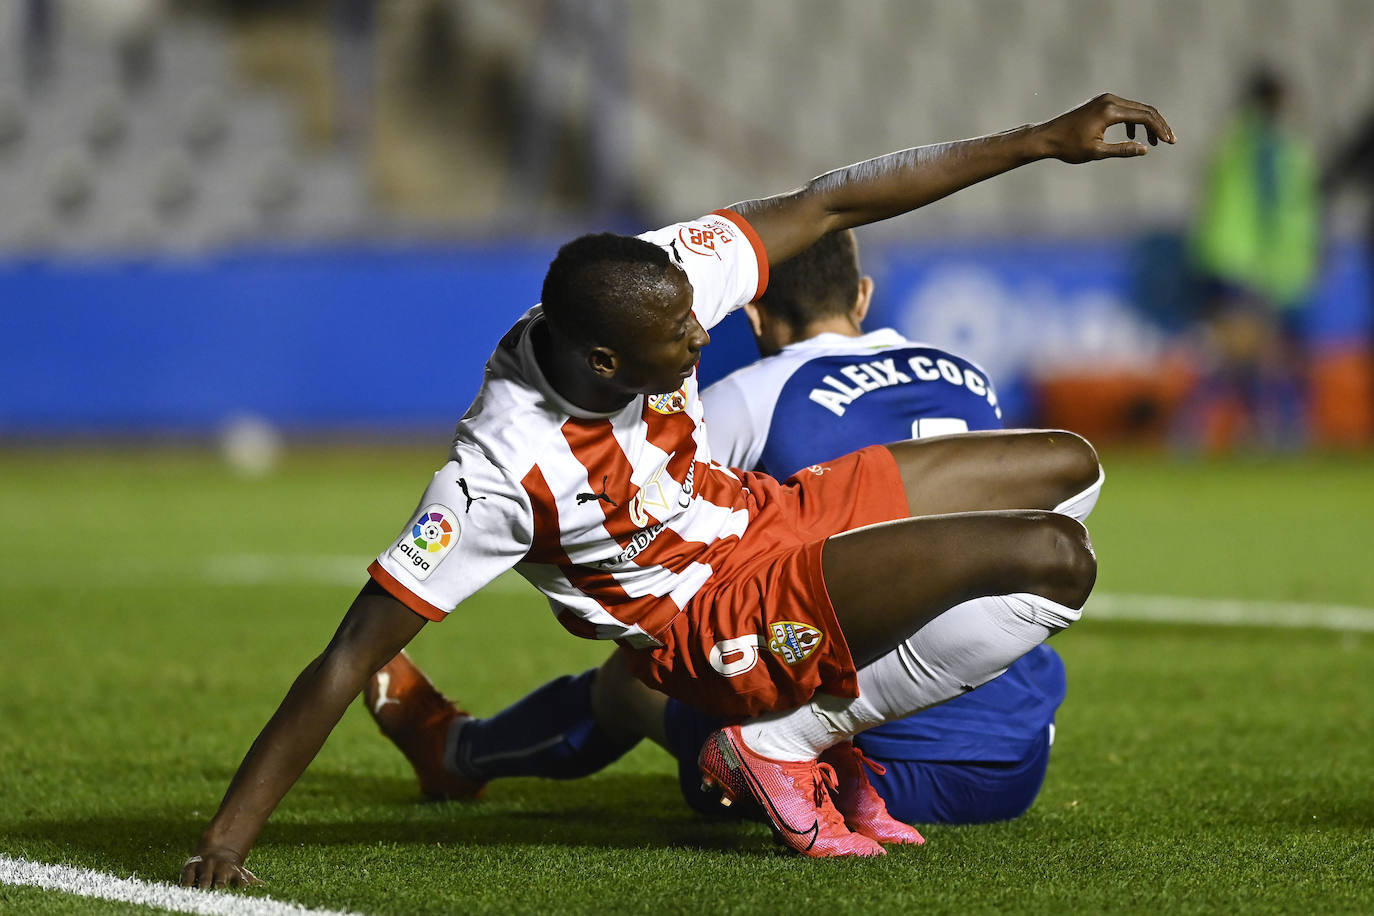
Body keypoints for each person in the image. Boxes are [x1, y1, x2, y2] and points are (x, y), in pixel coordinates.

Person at [182, 92, 1174, 886]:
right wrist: (229, 839)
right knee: (1056, 559)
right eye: (680, 343)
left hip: (766, 519)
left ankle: (825, 730)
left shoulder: (661, 278)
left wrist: (1041, 140)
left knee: (1068, 469)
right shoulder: (497, 473)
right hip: (714, 621)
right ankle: (789, 733)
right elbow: (345, 657)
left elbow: (834, 202)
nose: (704, 337)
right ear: (608, 362)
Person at [368, 228, 1067, 829]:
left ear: (755, 316)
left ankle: (458, 752)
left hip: (882, 757)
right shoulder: (968, 374)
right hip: (1013, 756)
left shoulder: (750, 396)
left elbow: (655, 526)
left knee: (634, 677)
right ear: (862, 297)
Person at [1186, 66, 1320, 449]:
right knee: (1248, 355)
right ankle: (1256, 430)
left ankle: (1243, 429)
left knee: (1244, 357)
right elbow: (1271, 210)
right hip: (1246, 264)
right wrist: (1281, 268)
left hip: (1228, 259)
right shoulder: (1265, 145)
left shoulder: (1236, 142)